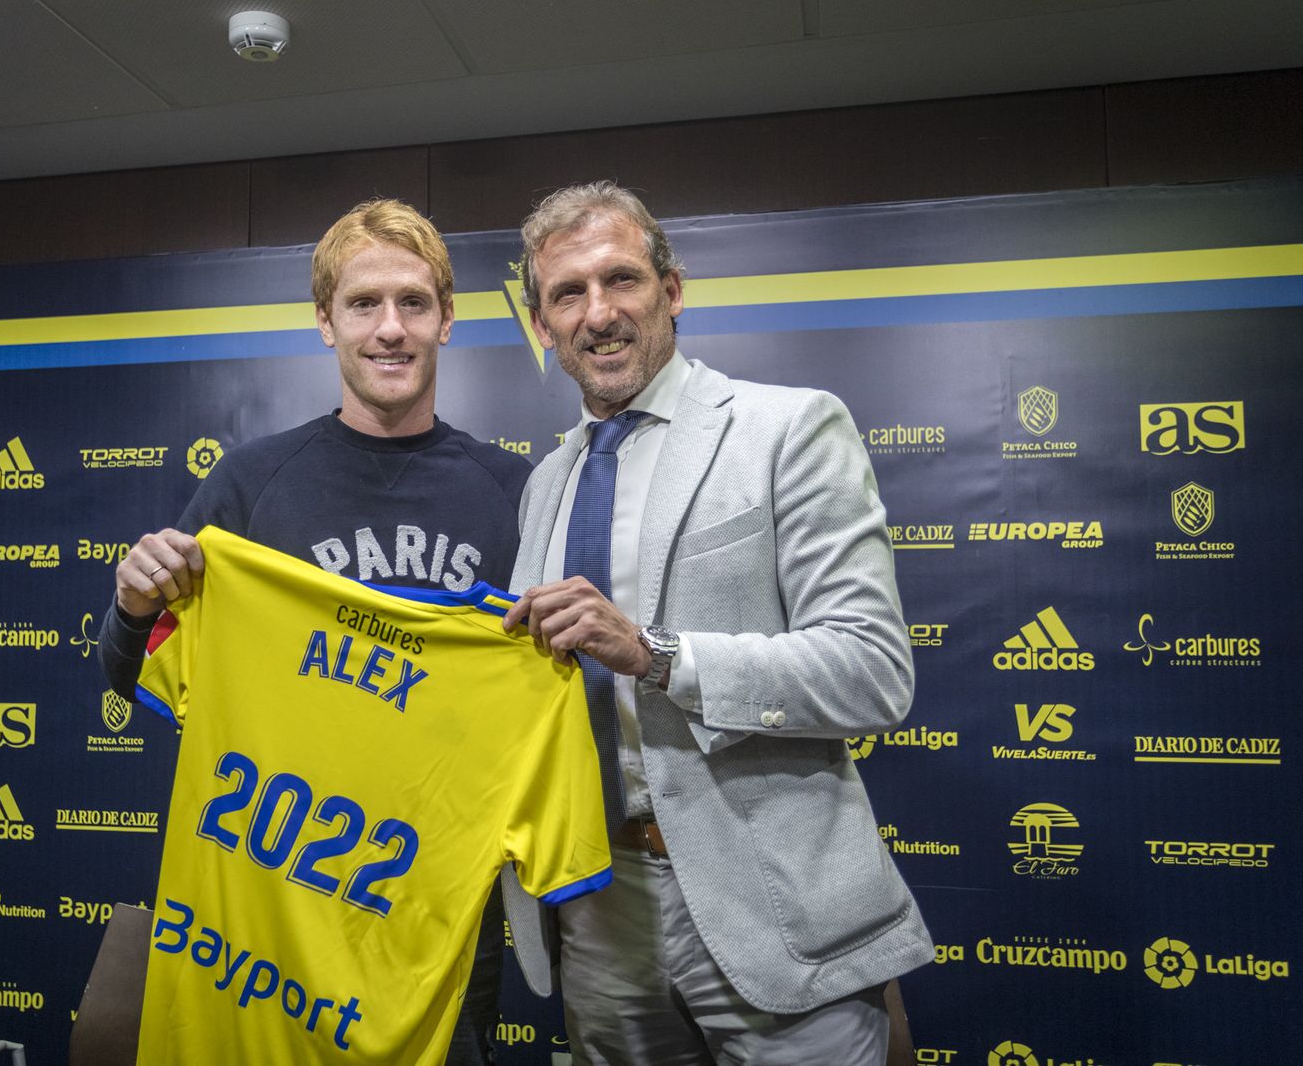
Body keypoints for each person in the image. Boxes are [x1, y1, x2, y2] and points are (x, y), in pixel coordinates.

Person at [500, 181, 933, 1064]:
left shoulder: (787, 428)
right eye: (567, 294)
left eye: (620, 278)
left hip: (772, 905)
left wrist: (655, 653)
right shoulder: (545, 483)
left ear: (673, 289)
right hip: (597, 907)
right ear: (542, 327)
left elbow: (872, 667)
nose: (598, 312)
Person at [101, 198, 530, 1065]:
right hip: (271, 929)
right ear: (325, 324)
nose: (390, 328)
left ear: (449, 319)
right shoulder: (252, 483)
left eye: (414, 303)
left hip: (439, 927)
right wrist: (133, 607)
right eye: (363, 304)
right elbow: (128, 675)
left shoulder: (518, 492)